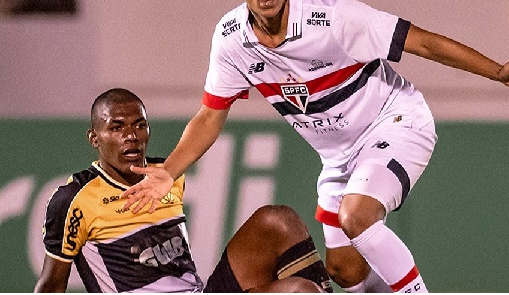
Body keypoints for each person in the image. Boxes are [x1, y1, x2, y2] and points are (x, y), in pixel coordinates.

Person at [121, 0, 509, 293]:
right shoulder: (231, 39)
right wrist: (170, 170)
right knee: (346, 272)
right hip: (338, 157)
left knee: (356, 216)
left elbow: (421, 41)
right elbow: (210, 115)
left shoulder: (331, 17)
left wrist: (496, 73)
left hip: (396, 121)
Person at [34, 88, 331, 293]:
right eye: (116, 127)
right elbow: (51, 285)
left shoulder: (169, 175)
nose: (131, 136)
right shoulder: (74, 199)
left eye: (140, 125)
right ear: (94, 138)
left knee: (279, 223)